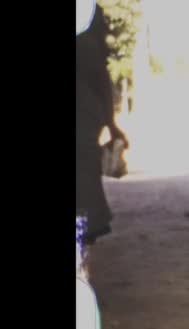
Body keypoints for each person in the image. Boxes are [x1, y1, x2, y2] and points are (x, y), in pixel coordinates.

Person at [76, 4, 128, 244]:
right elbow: (101, 76)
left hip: (83, 118)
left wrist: (111, 124)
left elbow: (100, 74)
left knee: (83, 193)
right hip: (86, 117)